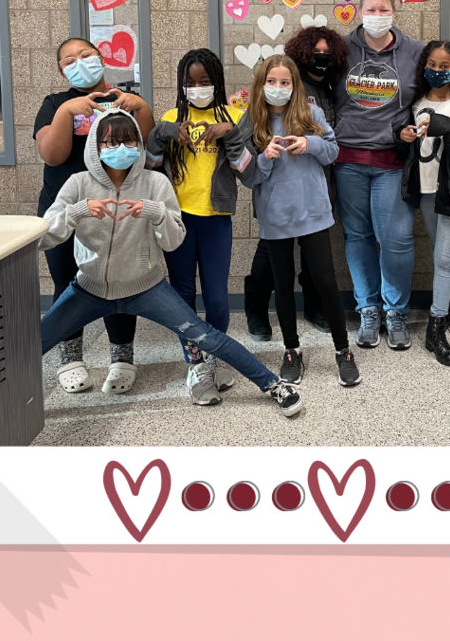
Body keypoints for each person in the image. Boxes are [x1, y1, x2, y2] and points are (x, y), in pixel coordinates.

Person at [38, 109, 301, 417]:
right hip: (89, 289)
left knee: (206, 335)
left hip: (146, 288)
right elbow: (44, 236)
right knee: (32, 343)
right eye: (110, 143)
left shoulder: (155, 184)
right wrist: (78, 212)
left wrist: (155, 212)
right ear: (95, 148)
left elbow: (174, 240)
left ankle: (273, 384)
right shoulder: (78, 184)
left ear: (139, 144)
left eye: (128, 141)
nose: (120, 149)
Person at [33, 37, 155, 394]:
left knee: (117, 280)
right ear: (61, 71)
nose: (79, 62)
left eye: (86, 55)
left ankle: (122, 357)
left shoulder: (124, 102)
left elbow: (146, 150)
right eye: (70, 60)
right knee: (65, 280)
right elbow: (51, 155)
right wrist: (67, 112)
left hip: (115, 208)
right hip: (66, 208)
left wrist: (142, 108)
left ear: (101, 58)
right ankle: (70, 358)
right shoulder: (55, 104)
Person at [240, 55, 361, 387]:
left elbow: (333, 152)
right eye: (271, 82)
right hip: (275, 216)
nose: (278, 88)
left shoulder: (312, 114)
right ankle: (291, 350)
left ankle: (343, 350)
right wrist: (264, 159)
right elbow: (248, 178)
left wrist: (311, 144)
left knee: (325, 281)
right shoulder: (251, 121)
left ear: (295, 86)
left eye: (285, 82)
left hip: (314, 213)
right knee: (282, 285)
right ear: (260, 84)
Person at [144, 48, 249, 405]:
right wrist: (165, 132)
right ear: (181, 85)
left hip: (216, 219)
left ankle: (215, 352)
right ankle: (196, 362)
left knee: (218, 298)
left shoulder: (236, 116)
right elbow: (150, 165)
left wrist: (231, 134)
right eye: (190, 83)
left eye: (205, 82)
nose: (198, 88)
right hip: (178, 218)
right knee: (183, 297)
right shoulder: (173, 116)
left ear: (217, 82)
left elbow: (247, 172)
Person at [332, 0, 423, 350]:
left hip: (391, 162)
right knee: (357, 236)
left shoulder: (415, 52)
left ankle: (396, 311)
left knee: (397, 239)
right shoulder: (341, 49)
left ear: (394, 13)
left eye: (384, 9)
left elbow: (436, 86)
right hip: (348, 159)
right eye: (371, 9)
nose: (377, 14)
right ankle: (368, 307)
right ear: (359, 11)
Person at [396, 41, 450, 366]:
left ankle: (435, 330)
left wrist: (446, 126)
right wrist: (402, 135)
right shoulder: (417, 102)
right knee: (437, 252)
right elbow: (411, 148)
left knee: (444, 259)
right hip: (425, 191)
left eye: (444, 65)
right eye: (431, 64)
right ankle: (447, 310)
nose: (437, 70)